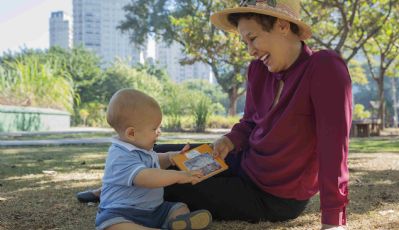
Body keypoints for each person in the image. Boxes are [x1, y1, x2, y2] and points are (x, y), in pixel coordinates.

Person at [79, 0, 352, 229]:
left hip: (271, 195)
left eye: (253, 38)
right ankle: (113, 188)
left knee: (168, 186)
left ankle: (114, 195)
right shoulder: (258, 71)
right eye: (245, 41)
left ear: (282, 25)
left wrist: (333, 220)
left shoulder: (324, 68)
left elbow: (334, 149)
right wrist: (230, 140)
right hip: (239, 161)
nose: (250, 50)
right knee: (154, 152)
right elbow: (249, 123)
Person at [94, 88, 212, 230]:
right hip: (122, 211)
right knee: (111, 224)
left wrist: (170, 157)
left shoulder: (142, 147)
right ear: (131, 133)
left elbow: (155, 161)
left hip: (155, 210)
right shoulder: (119, 156)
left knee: (179, 207)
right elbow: (147, 177)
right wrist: (179, 176)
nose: (159, 132)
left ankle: (178, 223)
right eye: (154, 129)